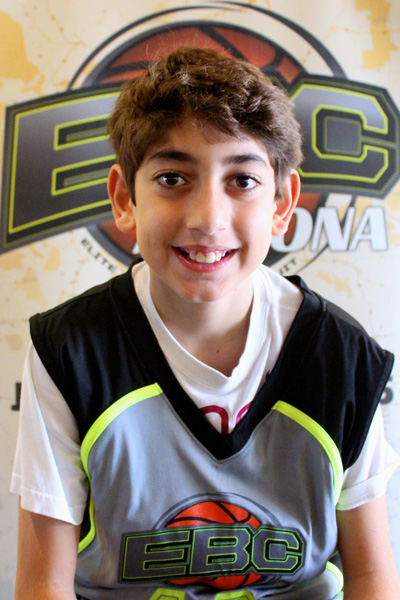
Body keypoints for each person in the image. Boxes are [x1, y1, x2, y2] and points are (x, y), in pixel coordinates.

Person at [11, 46, 400, 600]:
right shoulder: (69, 348)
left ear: (282, 203)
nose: (207, 219)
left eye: (242, 180)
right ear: (125, 198)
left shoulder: (341, 355)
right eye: (173, 178)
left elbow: (372, 577)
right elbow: (43, 585)